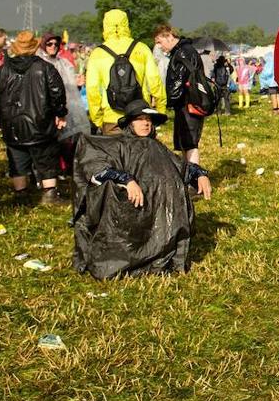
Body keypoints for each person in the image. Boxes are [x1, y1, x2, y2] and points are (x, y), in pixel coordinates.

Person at [72, 100, 208, 279]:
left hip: (161, 211)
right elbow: (96, 168)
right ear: (130, 123)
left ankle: (161, 251)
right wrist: (125, 180)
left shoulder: (157, 147)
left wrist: (200, 174)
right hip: (128, 213)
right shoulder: (117, 145)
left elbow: (180, 166)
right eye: (140, 119)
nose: (146, 123)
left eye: (149, 120)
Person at [0, 31, 68, 204]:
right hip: (41, 123)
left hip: (12, 124)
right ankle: (49, 194)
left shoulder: (3, 70)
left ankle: (21, 195)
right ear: (34, 48)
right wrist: (60, 113)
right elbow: (57, 93)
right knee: (46, 160)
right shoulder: (46, 68)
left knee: (17, 161)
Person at [153, 25, 215, 200]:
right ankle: (189, 178)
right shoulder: (186, 51)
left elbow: (177, 85)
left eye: (159, 42)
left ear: (169, 36)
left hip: (188, 104)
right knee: (185, 143)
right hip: (188, 104)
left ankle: (195, 184)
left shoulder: (182, 53)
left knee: (190, 142)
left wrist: (168, 100)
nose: (159, 46)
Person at [85, 10, 165, 135]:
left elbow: (92, 89)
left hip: (111, 117)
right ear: (126, 24)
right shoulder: (141, 48)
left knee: (116, 153)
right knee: (142, 153)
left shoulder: (97, 53)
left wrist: (97, 119)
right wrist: (160, 110)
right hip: (140, 116)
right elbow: (155, 82)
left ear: (105, 25)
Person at [37, 32, 92, 168]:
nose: (53, 46)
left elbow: (69, 88)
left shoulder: (64, 63)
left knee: (66, 140)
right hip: (45, 109)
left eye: (56, 44)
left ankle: (65, 168)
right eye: (49, 44)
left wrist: (77, 84)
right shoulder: (38, 63)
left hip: (63, 108)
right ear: (43, 45)